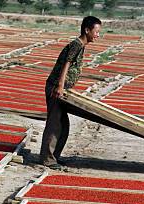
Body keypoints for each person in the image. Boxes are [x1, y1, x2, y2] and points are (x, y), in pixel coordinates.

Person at [39, 16, 102, 170]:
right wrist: (60, 86)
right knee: (54, 124)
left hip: (62, 89)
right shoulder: (77, 44)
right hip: (56, 88)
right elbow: (66, 65)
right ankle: (47, 159)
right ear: (87, 30)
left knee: (63, 125)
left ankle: (54, 157)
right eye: (96, 31)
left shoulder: (81, 45)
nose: (98, 35)